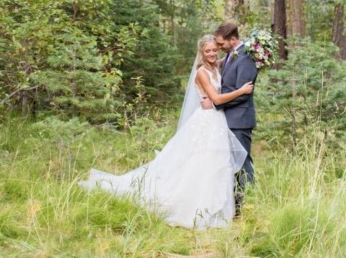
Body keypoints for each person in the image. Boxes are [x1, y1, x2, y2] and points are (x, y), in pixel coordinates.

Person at [79, 35, 253, 229]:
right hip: (206, 121)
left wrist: (250, 48)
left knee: (216, 163)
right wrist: (241, 91)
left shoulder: (215, 66)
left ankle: (216, 208)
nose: (212, 53)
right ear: (201, 53)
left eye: (214, 50)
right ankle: (196, 207)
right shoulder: (202, 72)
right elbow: (217, 99)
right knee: (200, 162)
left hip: (216, 121)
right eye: (207, 51)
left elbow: (231, 57)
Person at [202, 22, 258, 215]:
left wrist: (215, 103)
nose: (218, 47)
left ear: (232, 40)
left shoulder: (246, 58)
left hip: (240, 120)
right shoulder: (230, 55)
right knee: (231, 163)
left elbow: (243, 93)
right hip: (228, 119)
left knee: (242, 163)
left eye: (220, 44)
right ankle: (234, 204)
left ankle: (247, 204)